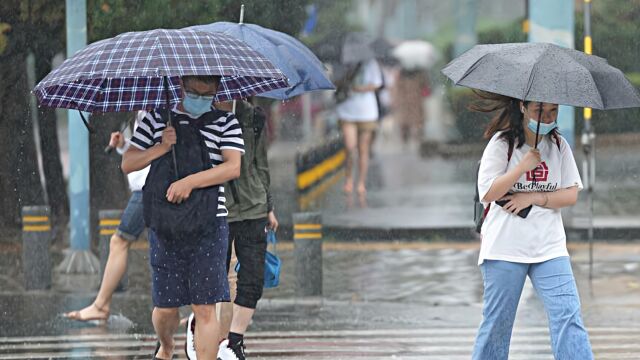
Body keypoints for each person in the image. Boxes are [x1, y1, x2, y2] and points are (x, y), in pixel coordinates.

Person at [122, 75, 244, 360]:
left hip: (210, 224)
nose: (200, 98)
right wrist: (161, 148)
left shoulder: (226, 122)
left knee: (204, 307)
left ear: (216, 91)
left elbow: (232, 167)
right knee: (166, 308)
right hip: (166, 224)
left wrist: (190, 182)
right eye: (194, 92)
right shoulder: (157, 119)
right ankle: (166, 345)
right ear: (180, 86)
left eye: (207, 93)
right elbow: (128, 163)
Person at [472, 93, 593, 359]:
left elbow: (570, 194)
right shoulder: (502, 144)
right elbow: (488, 192)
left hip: (549, 248)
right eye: (541, 111)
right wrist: (522, 167)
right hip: (505, 248)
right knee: (497, 326)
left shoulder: (559, 145)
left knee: (568, 317)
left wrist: (534, 197)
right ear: (523, 106)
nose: (548, 118)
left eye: (553, 111)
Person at [185, 99, 279, 360]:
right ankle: (199, 324)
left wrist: (268, 205)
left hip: (253, 206)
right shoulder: (197, 115)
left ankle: (234, 342)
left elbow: (261, 165)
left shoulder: (254, 117)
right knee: (213, 278)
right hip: (215, 208)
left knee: (253, 278)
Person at [65, 113, 149, 322]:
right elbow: (145, 150)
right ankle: (197, 309)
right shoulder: (144, 112)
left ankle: (102, 305)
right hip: (145, 187)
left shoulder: (158, 111)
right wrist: (124, 145)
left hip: (149, 188)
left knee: (120, 240)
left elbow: (155, 152)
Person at [335, 58, 383, 196]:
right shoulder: (343, 63)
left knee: (363, 149)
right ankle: (349, 178)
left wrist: (361, 88)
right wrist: (345, 80)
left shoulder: (371, 63)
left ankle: (361, 182)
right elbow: (334, 82)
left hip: (367, 112)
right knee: (350, 147)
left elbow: (377, 84)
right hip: (346, 111)